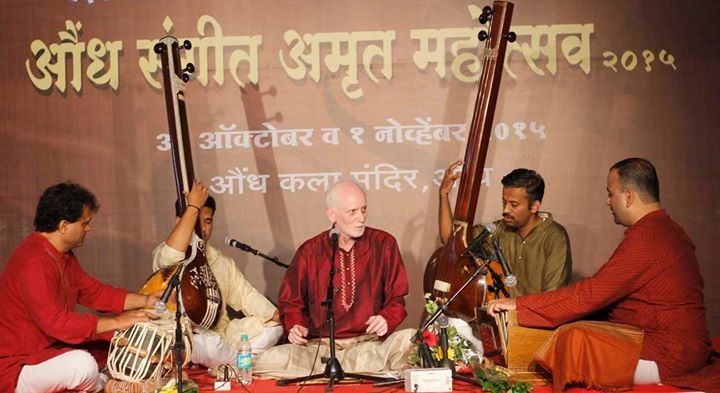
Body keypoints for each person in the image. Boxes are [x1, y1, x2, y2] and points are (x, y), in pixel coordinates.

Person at [487, 158, 719, 391]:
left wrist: (519, 305)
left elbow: (589, 295)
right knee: (575, 328)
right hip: (669, 345)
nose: (607, 201)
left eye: (611, 193)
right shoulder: (663, 229)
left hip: (671, 355)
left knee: (575, 340)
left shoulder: (650, 237)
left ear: (628, 197)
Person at [0, 182, 159, 393]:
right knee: (82, 365)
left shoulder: (62, 256)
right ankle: (105, 385)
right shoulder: (33, 261)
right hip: (19, 366)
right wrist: (116, 321)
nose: (89, 228)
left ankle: (104, 381)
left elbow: (95, 293)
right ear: (64, 226)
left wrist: (148, 301)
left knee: (115, 342)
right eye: (85, 224)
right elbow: (56, 323)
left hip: (51, 351)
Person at [254, 180, 413, 377]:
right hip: (318, 351)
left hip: (367, 347)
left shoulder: (384, 244)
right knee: (269, 359)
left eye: (363, 210)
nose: (361, 218)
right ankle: (359, 373)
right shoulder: (310, 251)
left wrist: (386, 318)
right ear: (332, 214)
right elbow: (290, 301)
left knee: (409, 341)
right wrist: (295, 326)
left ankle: (354, 370)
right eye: (352, 212)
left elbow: (397, 299)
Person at [151, 180, 282, 369]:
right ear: (179, 221)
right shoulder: (165, 254)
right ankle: (239, 362)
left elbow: (245, 295)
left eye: (208, 221)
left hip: (221, 334)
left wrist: (274, 314)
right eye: (197, 221)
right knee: (210, 346)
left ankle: (232, 362)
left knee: (274, 327)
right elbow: (172, 254)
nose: (203, 229)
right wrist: (193, 207)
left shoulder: (220, 261)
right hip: (188, 337)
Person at [439, 160, 572, 296]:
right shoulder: (497, 230)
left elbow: (552, 297)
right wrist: (443, 194)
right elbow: (451, 242)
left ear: (534, 206)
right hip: (499, 314)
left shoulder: (555, 237)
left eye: (513, 204)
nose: (506, 210)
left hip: (535, 315)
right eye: (504, 202)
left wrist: (517, 309)